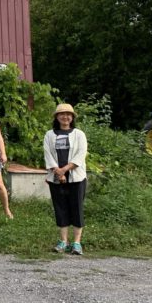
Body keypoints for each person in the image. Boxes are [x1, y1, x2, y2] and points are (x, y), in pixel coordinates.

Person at [44, 104, 88, 255]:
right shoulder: (49, 135)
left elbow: (81, 155)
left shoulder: (79, 134)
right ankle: (63, 241)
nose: (65, 117)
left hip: (77, 178)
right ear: (56, 117)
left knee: (77, 208)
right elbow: (47, 154)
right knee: (60, 208)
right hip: (55, 177)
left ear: (72, 117)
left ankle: (76, 243)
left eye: (68, 114)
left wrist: (64, 169)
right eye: (61, 114)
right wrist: (57, 171)